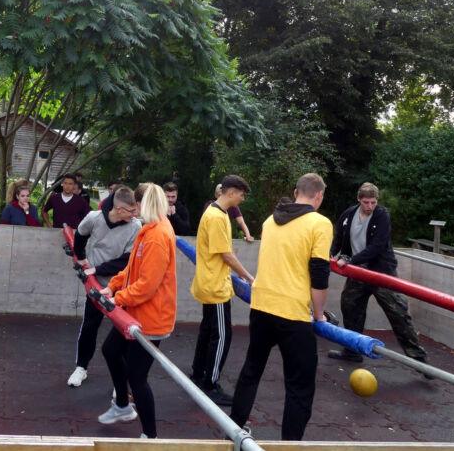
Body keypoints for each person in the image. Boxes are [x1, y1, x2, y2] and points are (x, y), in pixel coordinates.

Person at [230, 173, 332, 441]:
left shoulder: (270, 221)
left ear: (296, 191)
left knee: (252, 369)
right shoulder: (319, 223)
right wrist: (320, 315)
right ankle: (290, 446)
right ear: (318, 196)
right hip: (292, 314)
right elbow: (320, 274)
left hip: (261, 306)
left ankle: (233, 430)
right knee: (300, 386)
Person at [97, 183, 177, 439]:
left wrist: (117, 298)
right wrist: (113, 287)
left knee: (137, 377)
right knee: (110, 350)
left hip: (151, 319)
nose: (132, 213)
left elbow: (147, 285)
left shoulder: (158, 235)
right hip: (135, 313)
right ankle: (121, 405)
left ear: (143, 204)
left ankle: (150, 436)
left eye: (134, 207)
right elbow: (132, 269)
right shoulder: (148, 229)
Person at [328, 182, 428, 364]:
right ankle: (352, 351)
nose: (370, 206)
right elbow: (339, 239)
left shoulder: (382, 216)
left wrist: (350, 260)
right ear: (359, 200)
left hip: (381, 272)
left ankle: (419, 361)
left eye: (373, 202)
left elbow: (378, 246)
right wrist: (331, 256)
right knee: (350, 306)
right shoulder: (348, 215)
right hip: (358, 272)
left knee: (398, 313)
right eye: (366, 202)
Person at [190, 175, 255, 406]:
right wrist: (248, 276)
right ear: (230, 192)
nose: (242, 198)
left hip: (210, 282)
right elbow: (226, 254)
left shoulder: (216, 213)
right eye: (241, 194)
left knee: (208, 331)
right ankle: (210, 384)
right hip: (215, 287)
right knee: (222, 336)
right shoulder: (217, 216)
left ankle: (198, 375)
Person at [67, 186, 141, 388]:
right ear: (118, 209)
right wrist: (82, 259)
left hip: (120, 286)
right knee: (90, 325)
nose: (135, 215)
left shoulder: (135, 227)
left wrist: (98, 268)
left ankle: (122, 384)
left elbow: (127, 260)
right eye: (131, 211)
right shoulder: (94, 218)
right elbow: (80, 236)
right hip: (97, 284)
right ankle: (81, 367)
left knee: (123, 333)